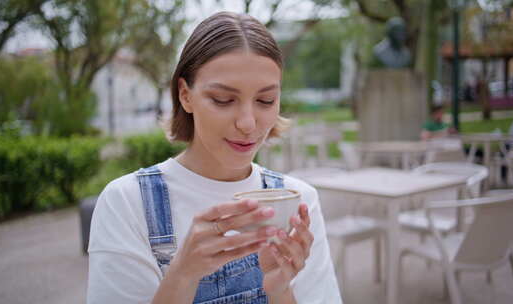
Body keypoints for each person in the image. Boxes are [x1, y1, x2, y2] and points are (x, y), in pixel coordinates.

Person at [86, 12, 342, 304]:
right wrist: (182, 275)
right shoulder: (127, 203)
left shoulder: (299, 201)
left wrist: (281, 291)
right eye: (223, 100)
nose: (248, 123)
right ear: (185, 95)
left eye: (265, 100)